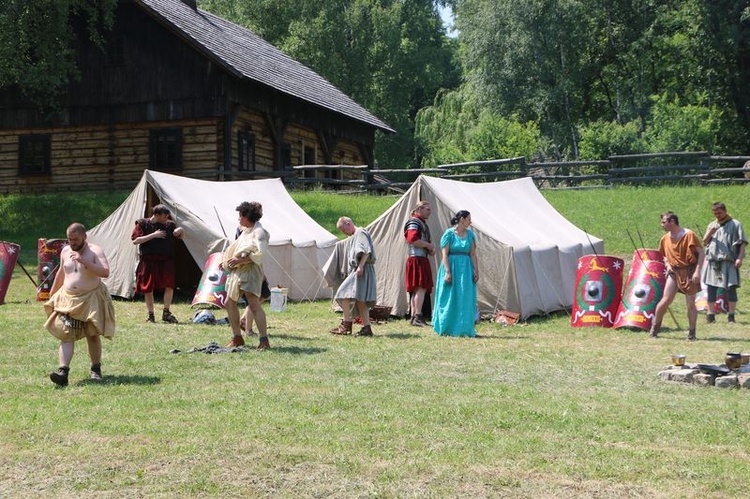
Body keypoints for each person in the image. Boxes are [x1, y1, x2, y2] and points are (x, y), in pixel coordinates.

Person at [45, 223, 115, 386]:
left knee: (92, 334)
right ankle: (63, 372)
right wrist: (53, 293)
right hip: (68, 298)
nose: (72, 243)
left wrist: (84, 261)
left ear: (84, 236)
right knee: (66, 333)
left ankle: (95, 370)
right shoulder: (65, 251)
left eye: (75, 239)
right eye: (69, 239)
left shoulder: (95, 251)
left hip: (91, 298)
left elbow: (105, 272)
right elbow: (62, 272)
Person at [222, 201, 270, 350]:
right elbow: (236, 250)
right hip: (239, 270)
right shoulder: (245, 231)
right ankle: (237, 337)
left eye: (240, 216)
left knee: (254, 304)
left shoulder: (259, 232)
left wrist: (241, 260)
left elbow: (260, 254)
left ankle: (264, 340)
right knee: (229, 303)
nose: (239, 219)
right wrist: (228, 261)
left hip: (250, 270)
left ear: (246, 216)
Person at [650, 211, 704, 341]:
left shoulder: (689, 235)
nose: (661, 224)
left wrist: (697, 271)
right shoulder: (665, 238)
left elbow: (701, 253)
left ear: (672, 222)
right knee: (665, 300)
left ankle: (692, 333)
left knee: (690, 303)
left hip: (689, 271)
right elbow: (663, 255)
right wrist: (667, 265)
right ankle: (655, 328)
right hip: (673, 272)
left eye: (664, 222)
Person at [131, 204, 184, 323]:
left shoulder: (169, 224)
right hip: (148, 260)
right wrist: (153, 235)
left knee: (169, 285)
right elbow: (135, 240)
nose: (166, 218)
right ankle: (151, 314)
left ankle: (166, 312)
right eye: (164, 216)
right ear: (156, 215)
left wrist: (180, 231)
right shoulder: (142, 223)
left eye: (167, 215)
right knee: (147, 287)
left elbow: (181, 236)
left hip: (166, 260)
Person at [432, 210, 479, 337]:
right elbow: (444, 254)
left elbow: (473, 255)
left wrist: (476, 271)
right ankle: (447, 327)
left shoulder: (470, 235)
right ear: (462, 219)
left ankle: (464, 328)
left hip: (466, 269)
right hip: (451, 267)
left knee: (465, 297)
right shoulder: (449, 234)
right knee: (449, 297)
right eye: (469, 219)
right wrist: (448, 272)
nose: (470, 221)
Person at [330, 217, 377, 336]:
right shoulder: (355, 234)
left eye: (343, 229)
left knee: (343, 293)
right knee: (360, 299)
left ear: (348, 223)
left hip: (362, 269)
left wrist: (360, 266)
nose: (343, 232)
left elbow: (366, 251)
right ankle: (367, 328)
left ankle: (347, 325)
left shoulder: (360, 232)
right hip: (359, 269)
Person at [702, 202, 747, 323]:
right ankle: (711, 315)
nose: (718, 215)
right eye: (715, 213)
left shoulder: (735, 224)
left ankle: (731, 315)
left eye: (720, 213)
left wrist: (740, 258)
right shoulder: (712, 225)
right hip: (713, 262)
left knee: (731, 288)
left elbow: (742, 243)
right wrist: (710, 232)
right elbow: (705, 242)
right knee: (711, 288)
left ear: (725, 211)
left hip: (729, 261)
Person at [235, 225, 271, 337]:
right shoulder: (245, 232)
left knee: (260, 297)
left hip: (254, 269)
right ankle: (248, 328)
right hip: (249, 272)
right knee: (253, 302)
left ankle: (244, 321)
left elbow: (257, 255)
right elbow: (246, 253)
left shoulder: (256, 229)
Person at [404, 200, 435, 326]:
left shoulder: (420, 223)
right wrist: (428, 245)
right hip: (417, 259)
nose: (430, 211)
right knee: (421, 288)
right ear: (420, 209)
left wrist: (429, 249)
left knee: (417, 289)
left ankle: (413, 317)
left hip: (419, 258)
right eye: (427, 209)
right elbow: (412, 239)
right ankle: (417, 316)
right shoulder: (414, 222)